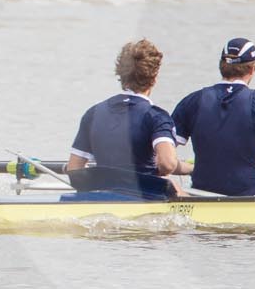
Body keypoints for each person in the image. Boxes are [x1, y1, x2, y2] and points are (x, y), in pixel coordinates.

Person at [170, 38, 255, 195]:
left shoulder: (192, 101)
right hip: (249, 195)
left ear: (221, 67)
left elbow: (161, 159)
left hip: (200, 193)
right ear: (252, 69)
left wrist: (190, 169)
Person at [66, 39, 182, 198]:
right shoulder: (157, 117)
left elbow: (74, 169)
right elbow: (168, 164)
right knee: (179, 191)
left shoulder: (93, 113)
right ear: (154, 77)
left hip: (102, 196)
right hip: (144, 197)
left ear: (120, 74)